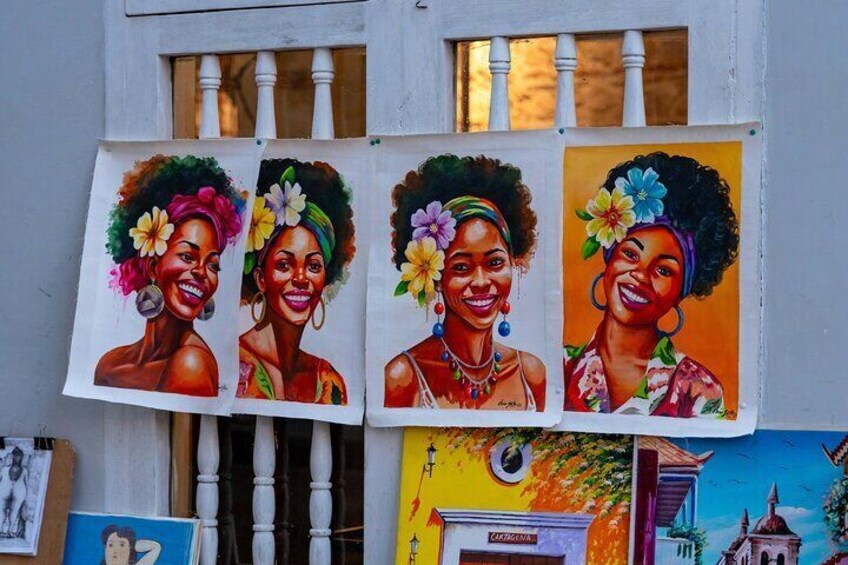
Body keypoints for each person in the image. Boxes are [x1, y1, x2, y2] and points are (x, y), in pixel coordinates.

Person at [565, 152, 739, 418]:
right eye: (630, 254)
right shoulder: (556, 368)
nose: (640, 276)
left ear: (682, 291)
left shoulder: (698, 390)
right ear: (609, 258)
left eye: (663, 270)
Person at [384, 155, 546, 410]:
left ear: (513, 263)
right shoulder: (403, 377)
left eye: (495, 263)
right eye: (461, 267)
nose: (481, 281)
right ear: (436, 277)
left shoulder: (531, 374)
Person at [95, 155, 246, 396]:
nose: (201, 272)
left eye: (213, 265)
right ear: (153, 266)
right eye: (187, 256)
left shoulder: (192, 363)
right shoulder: (109, 364)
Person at [238, 159, 355, 404]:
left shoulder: (329, 381)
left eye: (313, 266)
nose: (301, 279)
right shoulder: (232, 365)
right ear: (261, 278)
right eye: (284, 265)